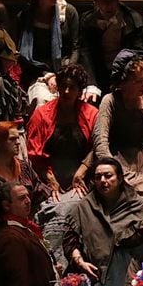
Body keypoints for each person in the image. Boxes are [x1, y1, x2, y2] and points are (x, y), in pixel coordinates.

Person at [63, 157, 143, 286]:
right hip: (97, 272)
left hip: (128, 270)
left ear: (119, 178)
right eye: (98, 177)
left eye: (108, 175)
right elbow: (70, 238)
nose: (103, 181)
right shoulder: (84, 207)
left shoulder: (134, 202)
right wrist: (80, 261)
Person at [93, 50, 143, 202]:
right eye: (138, 81)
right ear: (124, 81)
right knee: (133, 192)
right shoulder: (110, 101)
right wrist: (112, 170)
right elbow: (100, 141)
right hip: (124, 162)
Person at [27, 63, 97, 195]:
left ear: (80, 91)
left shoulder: (91, 114)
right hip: (49, 175)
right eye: (63, 86)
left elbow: (97, 147)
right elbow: (34, 153)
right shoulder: (41, 115)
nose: (66, 91)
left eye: (72, 88)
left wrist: (82, 171)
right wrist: (50, 179)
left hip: (83, 175)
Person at [76, 0, 143, 90]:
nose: (109, 5)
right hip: (98, 73)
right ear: (96, 0)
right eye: (104, 0)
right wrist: (91, 83)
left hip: (125, 72)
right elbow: (85, 53)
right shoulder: (87, 21)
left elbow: (139, 52)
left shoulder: (131, 19)